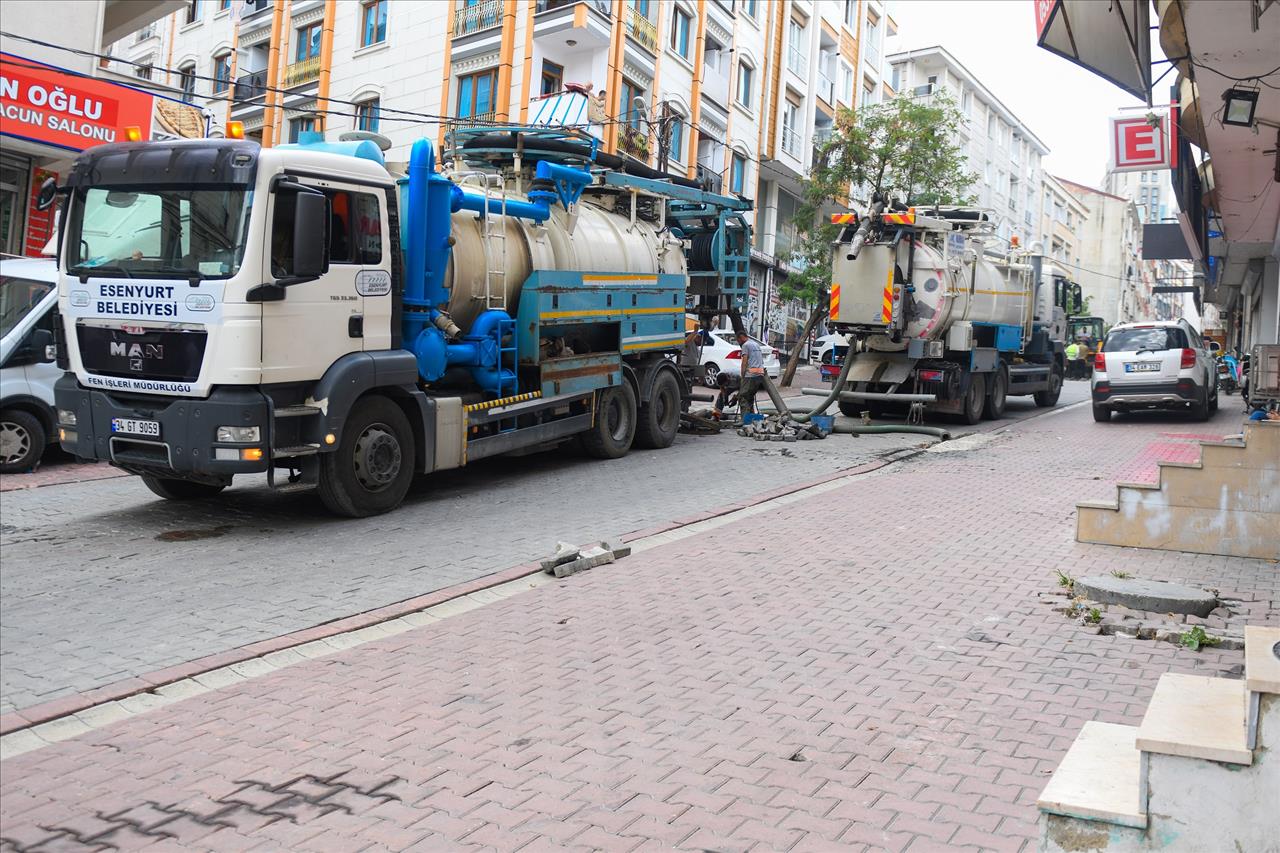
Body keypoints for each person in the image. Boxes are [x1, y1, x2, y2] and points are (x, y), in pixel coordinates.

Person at [736, 331, 766, 414]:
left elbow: (744, 361)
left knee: (743, 397)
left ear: (741, 337)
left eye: (738, 340)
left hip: (750, 375)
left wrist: (742, 375)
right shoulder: (756, 344)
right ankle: (751, 418)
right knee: (750, 397)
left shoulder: (745, 345)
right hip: (759, 374)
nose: (738, 342)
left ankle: (745, 420)